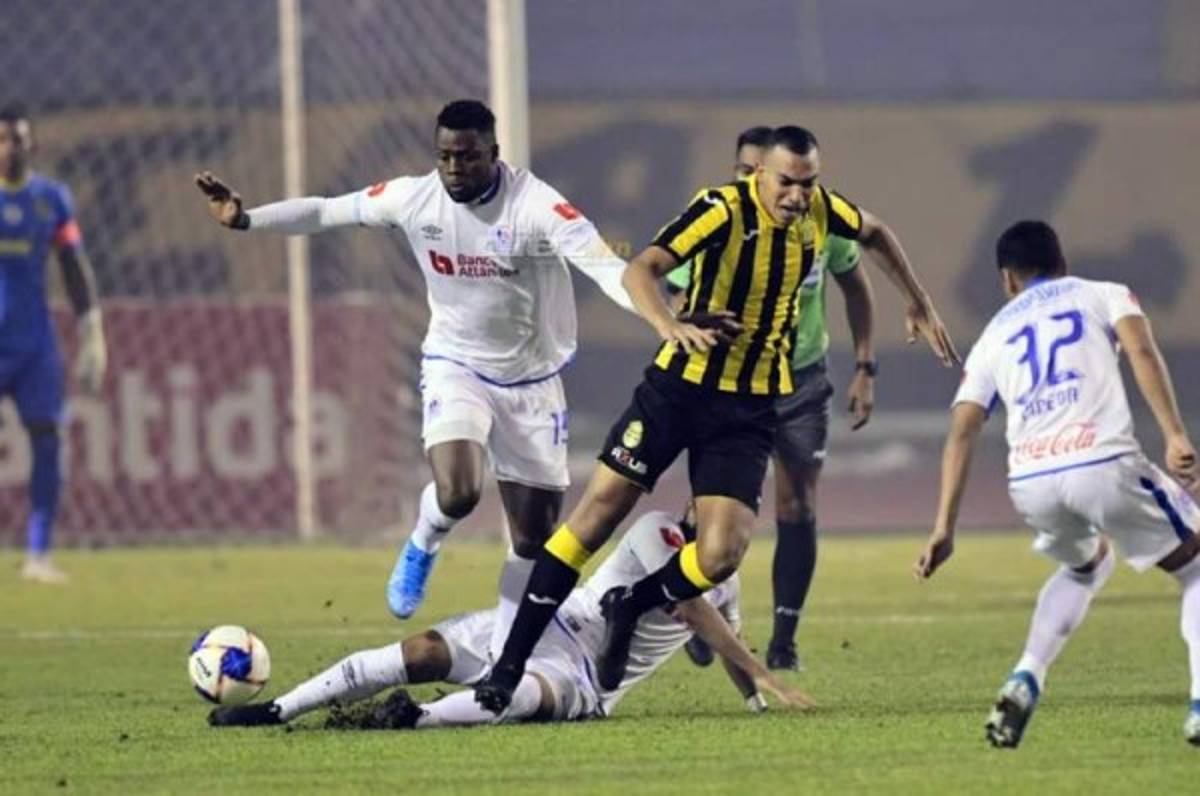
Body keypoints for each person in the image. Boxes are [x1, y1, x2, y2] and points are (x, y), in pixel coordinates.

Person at [475, 125, 959, 713]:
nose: (798, 196)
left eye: (808, 183)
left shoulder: (820, 211)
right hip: (679, 390)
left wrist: (917, 299)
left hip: (748, 408)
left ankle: (631, 602)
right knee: (594, 518)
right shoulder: (720, 210)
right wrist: (669, 325)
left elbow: (876, 231)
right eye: (787, 182)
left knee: (720, 555)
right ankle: (506, 668)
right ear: (760, 174)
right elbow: (641, 269)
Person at [196, 100, 633, 659]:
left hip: (533, 382)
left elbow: (607, 267)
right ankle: (424, 539)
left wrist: (665, 318)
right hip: (457, 365)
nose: (454, 168)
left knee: (532, 538)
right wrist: (246, 218)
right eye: (445, 156)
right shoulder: (414, 198)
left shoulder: (536, 206)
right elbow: (327, 211)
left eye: (467, 157)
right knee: (459, 491)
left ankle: (505, 657)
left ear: (494, 154)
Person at [913, 220, 1200, 747]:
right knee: (1196, 565)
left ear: (1007, 279)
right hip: (1102, 461)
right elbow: (1141, 350)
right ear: (1062, 262)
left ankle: (1026, 674)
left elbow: (962, 430)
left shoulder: (993, 334)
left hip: (1032, 481)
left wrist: (943, 528)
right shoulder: (1103, 293)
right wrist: (1175, 434)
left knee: (1086, 565)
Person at [207, 505, 812, 730]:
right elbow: (699, 612)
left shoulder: (728, 584)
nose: (720, 522)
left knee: (524, 696)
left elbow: (724, 635)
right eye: (712, 509)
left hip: (585, 680)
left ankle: (412, 718)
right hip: (554, 622)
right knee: (421, 651)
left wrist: (756, 699)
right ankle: (278, 709)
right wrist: (760, 669)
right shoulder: (659, 530)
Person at [667, 126, 877, 672]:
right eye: (743, 170)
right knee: (708, 506)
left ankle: (784, 642)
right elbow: (671, 293)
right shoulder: (719, 219)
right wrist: (685, 323)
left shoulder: (816, 219)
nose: (751, 180)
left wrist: (864, 365)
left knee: (797, 503)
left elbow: (856, 284)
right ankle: (700, 608)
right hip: (728, 381)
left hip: (800, 380)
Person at [0, 105, 107, 583]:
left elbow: (73, 265)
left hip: (34, 345)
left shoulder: (51, 199)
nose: (10, 148)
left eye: (18, 139)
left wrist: (92, 328)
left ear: (32, 145)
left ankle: (38, 555)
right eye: (3, 140)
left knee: (48, 441)